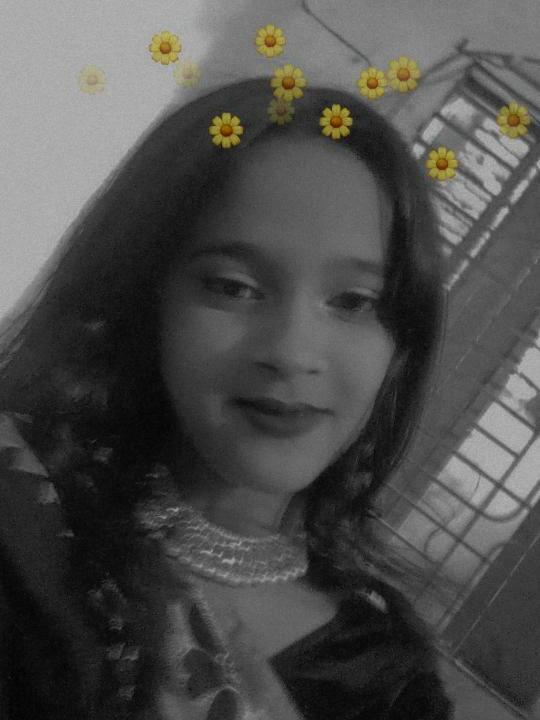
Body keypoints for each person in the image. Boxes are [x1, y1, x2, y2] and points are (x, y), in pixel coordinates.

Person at [0, 77, 454, 719]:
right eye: (232, 287)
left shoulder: (384, 682)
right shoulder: (24, 522)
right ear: (145, 292)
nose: (291, 352)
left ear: (402, 345)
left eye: (353, 302)